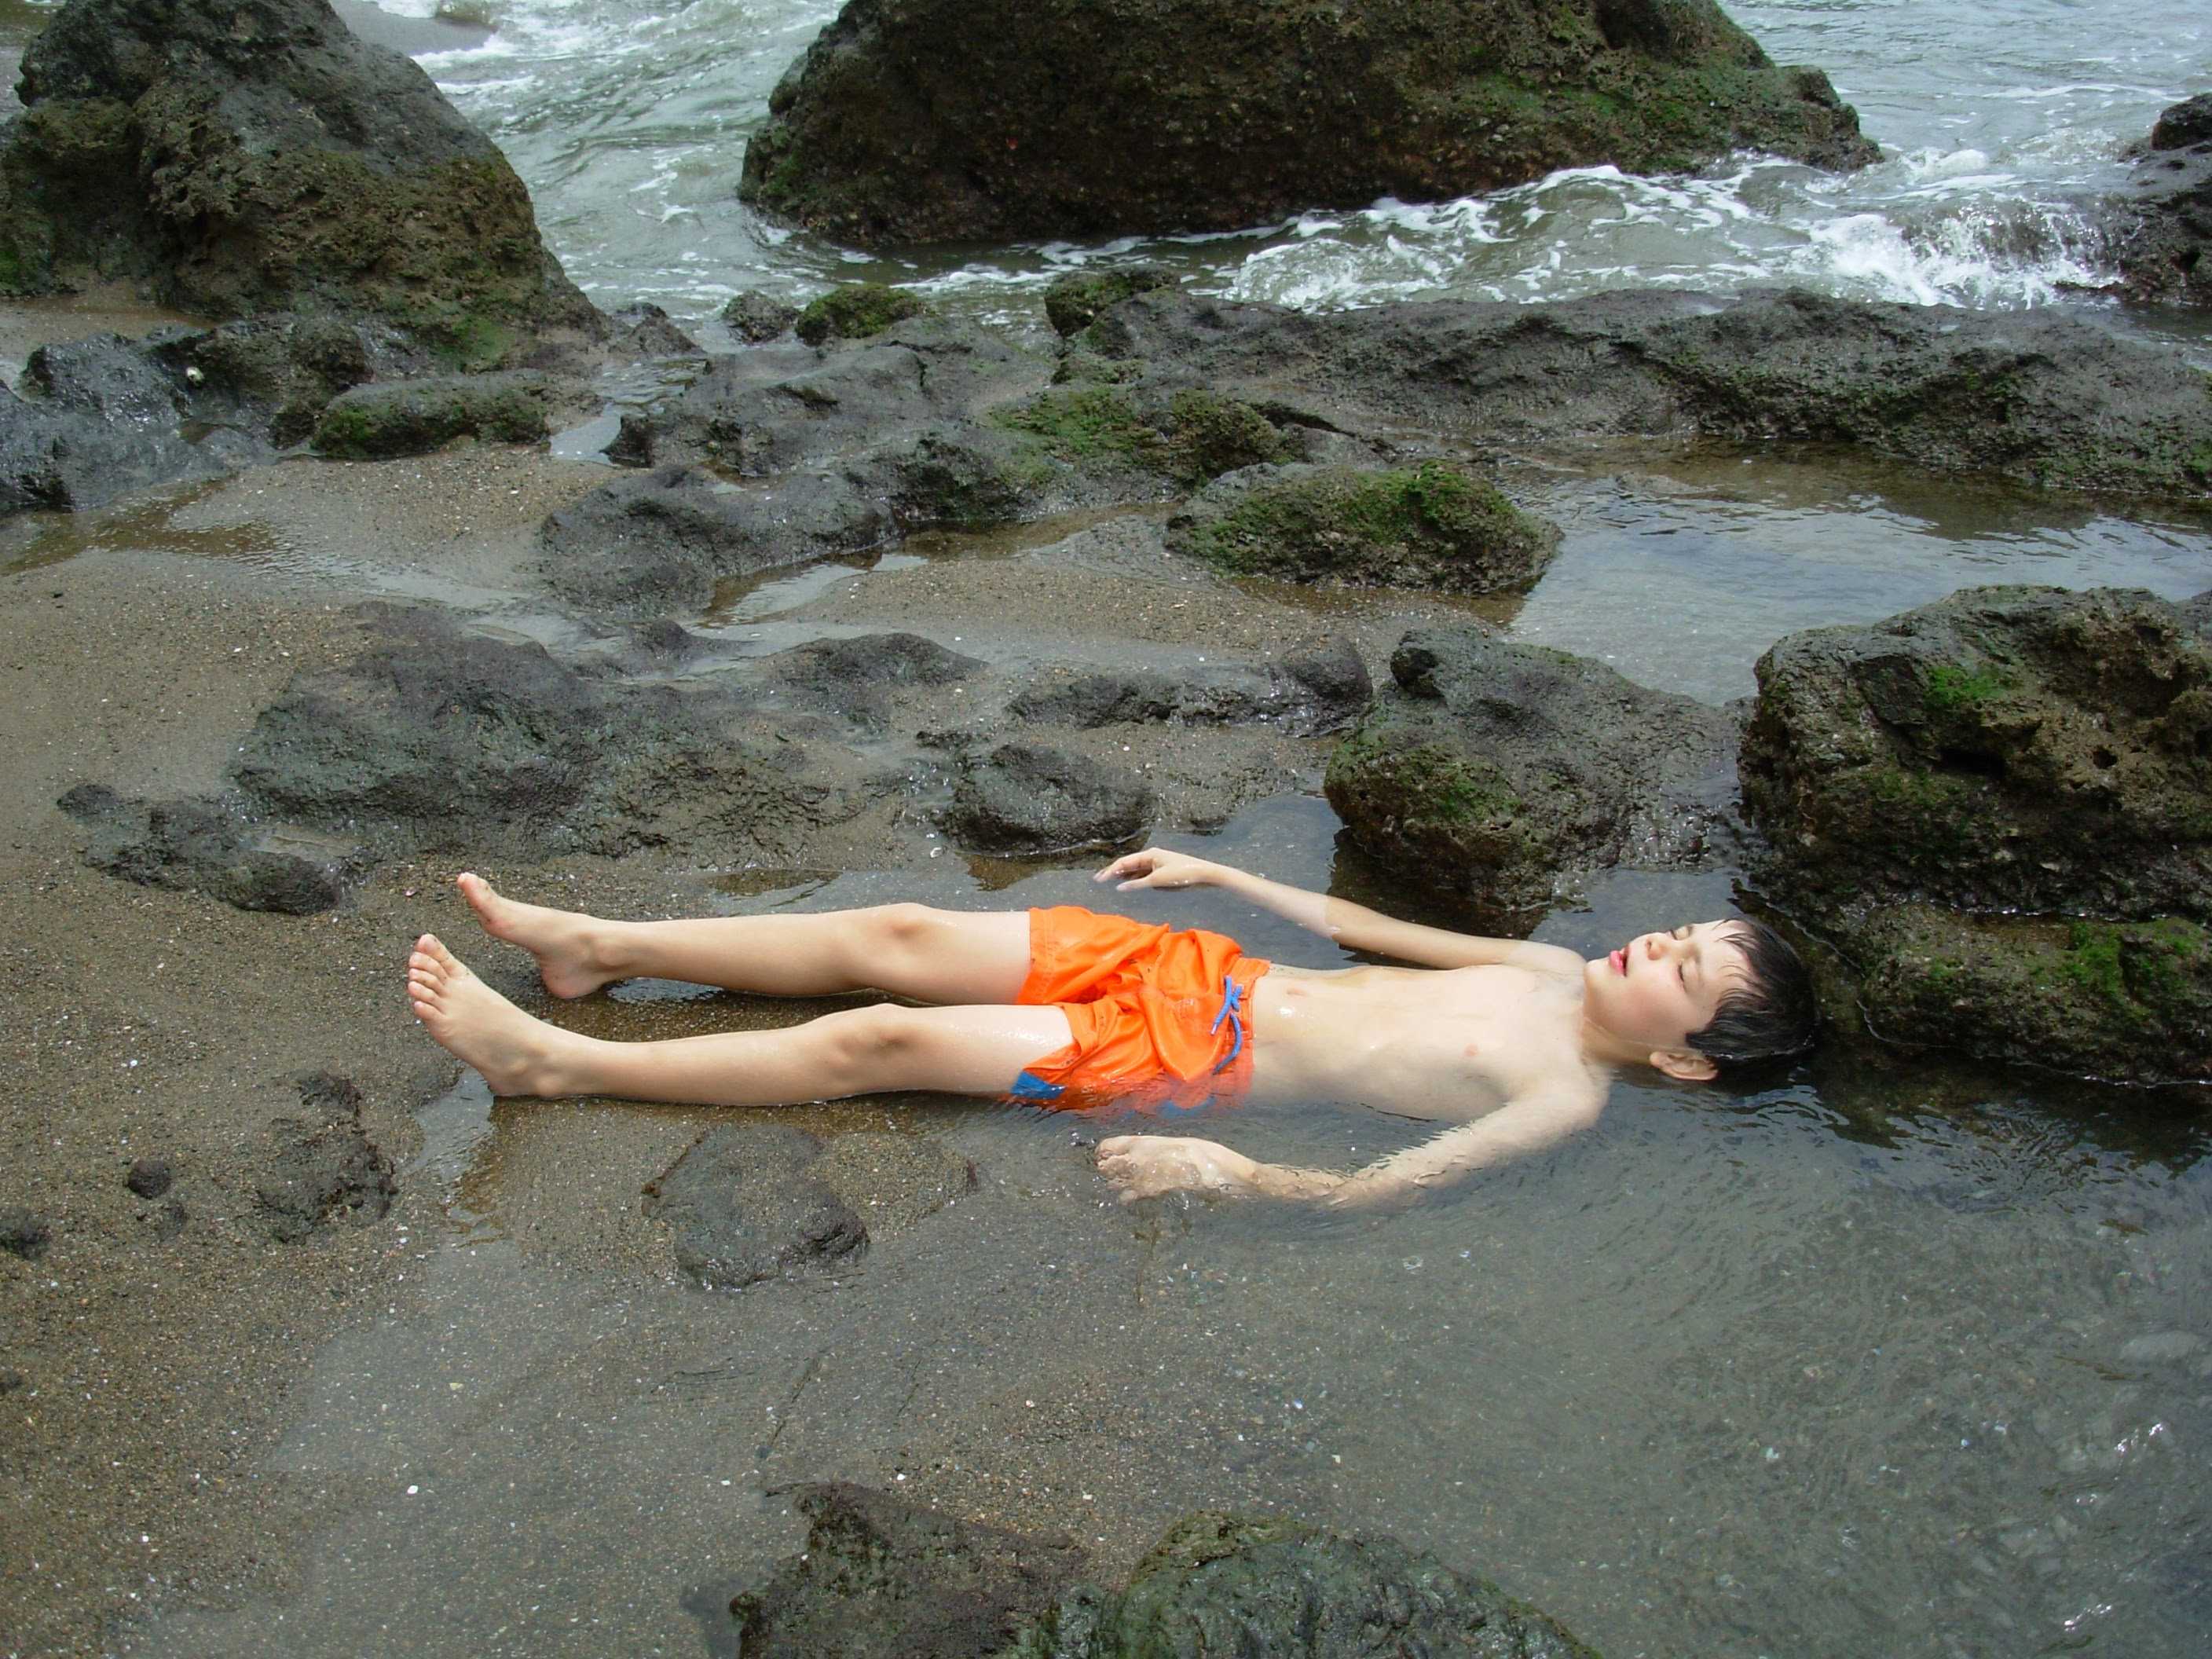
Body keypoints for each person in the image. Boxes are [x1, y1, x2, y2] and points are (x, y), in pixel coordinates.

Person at [405, 848, 1816, 1208]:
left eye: (1684, 976)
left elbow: (1391, 1186)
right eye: (1682, 932)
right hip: (1196, 967)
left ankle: (557, 1065)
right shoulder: (1550, 961)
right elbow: (1370, 930)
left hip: (1190, 1059)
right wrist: (1230, 876)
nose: (1658, 947)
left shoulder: (1563, 1094)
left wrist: (1245, 1178)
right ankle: (600, 950)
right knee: (893, 932)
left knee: (884, 1036)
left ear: (1688, 1058)